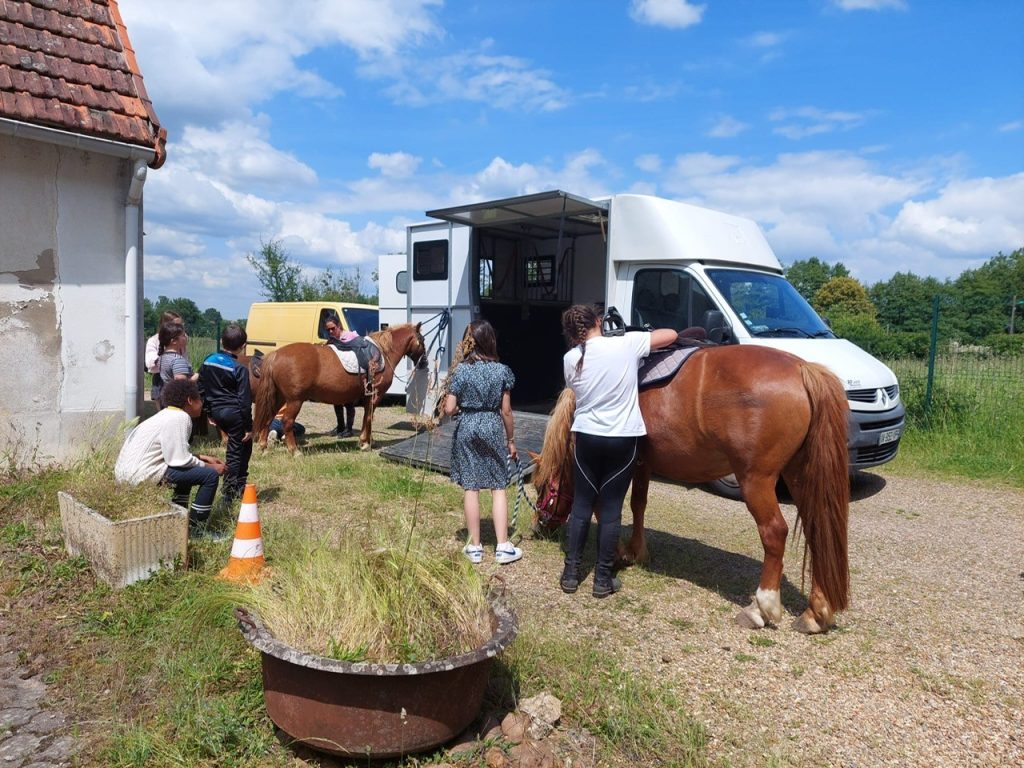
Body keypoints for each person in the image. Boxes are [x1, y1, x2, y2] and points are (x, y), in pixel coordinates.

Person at [559, 304, 678, 597]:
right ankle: (602, 579)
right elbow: (671, 334)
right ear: (599, 321)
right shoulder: (626, 344)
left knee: (582, 506)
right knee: (611, 510)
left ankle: (571, 574)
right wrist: (632, 332)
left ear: (572, 335)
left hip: (587, 436)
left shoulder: (570, 358)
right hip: (623, 438)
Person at [443, 320, 522, 566]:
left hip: (468, 425)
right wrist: (510, 440)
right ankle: (502, 546)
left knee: (471, 485)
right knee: (498, 485)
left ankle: (475, 547)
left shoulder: (461, 371)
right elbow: (506, 411)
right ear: (490, 341)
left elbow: (449, 408)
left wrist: (462, 410)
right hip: (491, 425)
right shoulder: (501, 371)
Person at [114, 379, 226, 532]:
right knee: (210, 476)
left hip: (126, 474)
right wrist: (212, 467)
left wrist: (201, 457)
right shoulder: (180, 418)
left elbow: (173, 453)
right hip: (141, 475)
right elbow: (179, 460)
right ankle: (196, 530)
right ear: (189, 401)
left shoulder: (166, 415)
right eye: (199, 399)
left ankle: (179, 520)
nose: (202, 403)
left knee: (189, 473)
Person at [197, 323, 253, 504]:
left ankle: (238, 485)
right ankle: (230, 492)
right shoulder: (240, 369)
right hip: (234, 414)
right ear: (243, 347)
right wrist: (248, 427)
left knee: (239, 448)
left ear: (221, 341)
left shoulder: (207, 360)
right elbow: (244, 402)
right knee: (236, 451)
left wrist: (208, 412)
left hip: (216, 411)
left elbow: (200, 387)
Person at [323, 314, 359, 437]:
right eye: (328, 330)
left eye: (333, 328)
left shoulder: (351, 336)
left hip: (349, 375)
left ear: (339, 326)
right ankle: (340, 426)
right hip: (337, 375)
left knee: (348, 403)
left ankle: (349, 429)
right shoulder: (331, 340)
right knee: (337, 402)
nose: (331, 331)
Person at [157, 320, 198, 408]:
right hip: (178, 403)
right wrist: (198, 375)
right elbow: (181, 385)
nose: (186, 337)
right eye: (183, 335)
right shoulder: (177, 359)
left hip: (167, 398)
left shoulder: (163, 357)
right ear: (174, 341)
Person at [145, 310, 182, 405]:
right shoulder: (153, 340)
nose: (180, 328)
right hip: (160, 379)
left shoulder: (181, 339)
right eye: (176, 325)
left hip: (177, 376)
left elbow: (185, 358)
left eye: (181, 325)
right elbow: (149, 362)